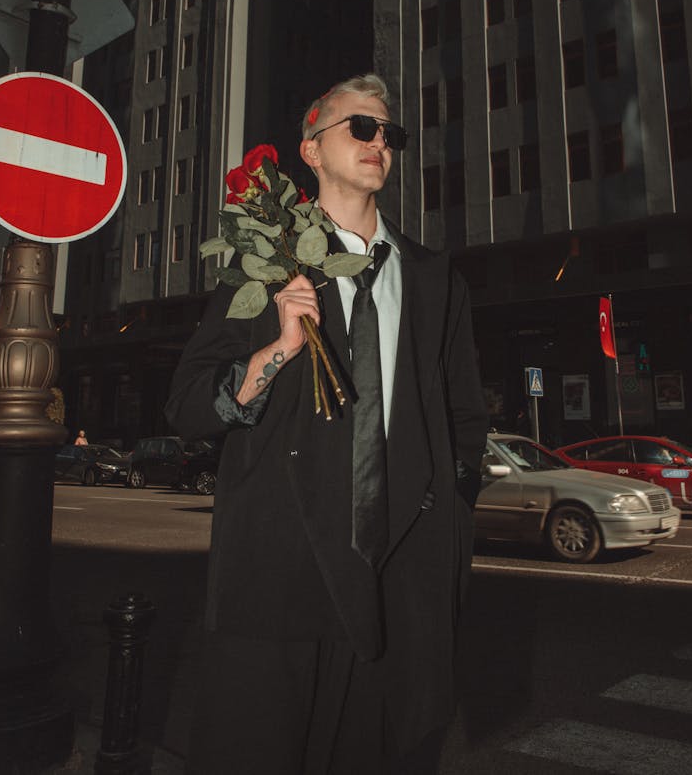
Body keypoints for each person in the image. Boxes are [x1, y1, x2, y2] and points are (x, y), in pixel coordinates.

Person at [166, 73, 488, 774]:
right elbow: (189, 402)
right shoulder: (264, 262)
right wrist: (277, 348)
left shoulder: (436, 279)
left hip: (398, 586)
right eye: (361, 127)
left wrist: (448, 522)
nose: (380, 143)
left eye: (390, 133)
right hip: (281, 578)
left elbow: (466, 419)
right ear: (309, 149)